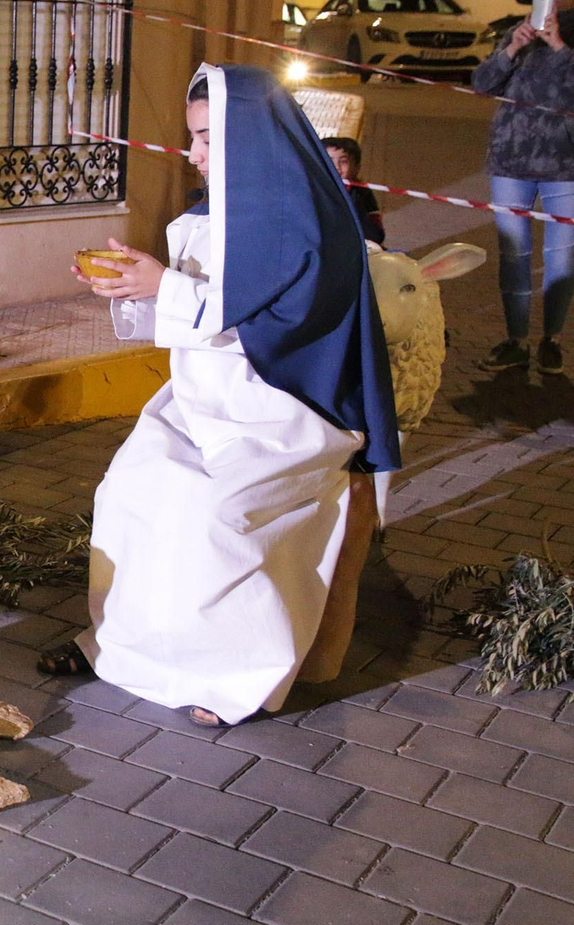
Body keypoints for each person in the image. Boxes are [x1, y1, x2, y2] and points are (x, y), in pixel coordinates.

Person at [39, 65, 398, 727]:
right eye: (192, 139)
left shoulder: (312, 221)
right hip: (201, 406)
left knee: (212, 516)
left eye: (206, 139)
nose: (194, 156)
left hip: (282, 412)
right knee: (129, 490)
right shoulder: (202, 218)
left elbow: (281, 324)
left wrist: (163, 289)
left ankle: (232, 676)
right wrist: (134, 291)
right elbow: (197, 318)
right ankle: (121, 646)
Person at [471, 0, 574, 376]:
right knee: (513, 255)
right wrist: (513, 46)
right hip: (510, 163)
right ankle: (515, 339)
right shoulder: (520, 30)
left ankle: (551, 339)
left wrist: (560, 48)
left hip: (565, 167)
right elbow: (481, 84)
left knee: (562, 259)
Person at [322, 136, 385, 245]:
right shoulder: (311, 191)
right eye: (329, 161)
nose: (336, 167)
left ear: (356, 168)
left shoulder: (362, 193)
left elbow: (376, 234)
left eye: (343, 161)